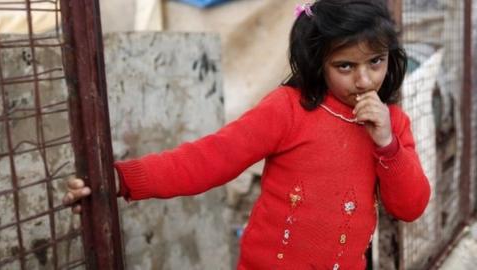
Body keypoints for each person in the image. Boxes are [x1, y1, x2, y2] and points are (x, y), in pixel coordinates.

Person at [63, 0, 431, 269]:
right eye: (345, 66)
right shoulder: (289, 109)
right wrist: (123, 178)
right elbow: (210, 159)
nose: (364, 80)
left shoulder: (392, 125)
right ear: (317, 62)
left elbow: (410, 207)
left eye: (375, 62)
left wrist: (387, 145)